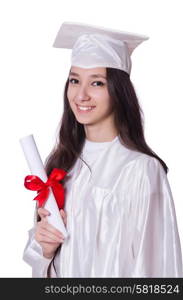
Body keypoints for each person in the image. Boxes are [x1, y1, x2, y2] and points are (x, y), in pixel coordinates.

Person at [23, 21, 183, 277]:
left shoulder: (141, 170)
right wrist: (45, 250)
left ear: (118, 91)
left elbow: (158, 268)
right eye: (75, 80)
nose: (81, 95)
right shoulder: (61, 166)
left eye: (96, 83)